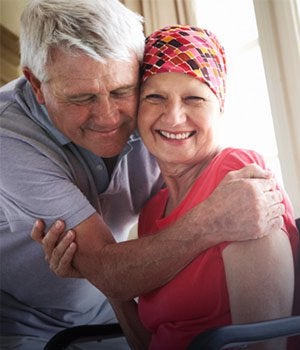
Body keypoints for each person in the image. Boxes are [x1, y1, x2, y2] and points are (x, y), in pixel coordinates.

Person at [0, 0, 284, 349]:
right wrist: (210, 221)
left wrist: (102, 274)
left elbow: (267, 337)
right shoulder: (8, 137)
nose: (108, 117)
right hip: (24, 324)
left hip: (107, 309)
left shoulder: (233, 180)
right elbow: (116, 279)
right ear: (37, 85)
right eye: (81, 98)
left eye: (122, 91)